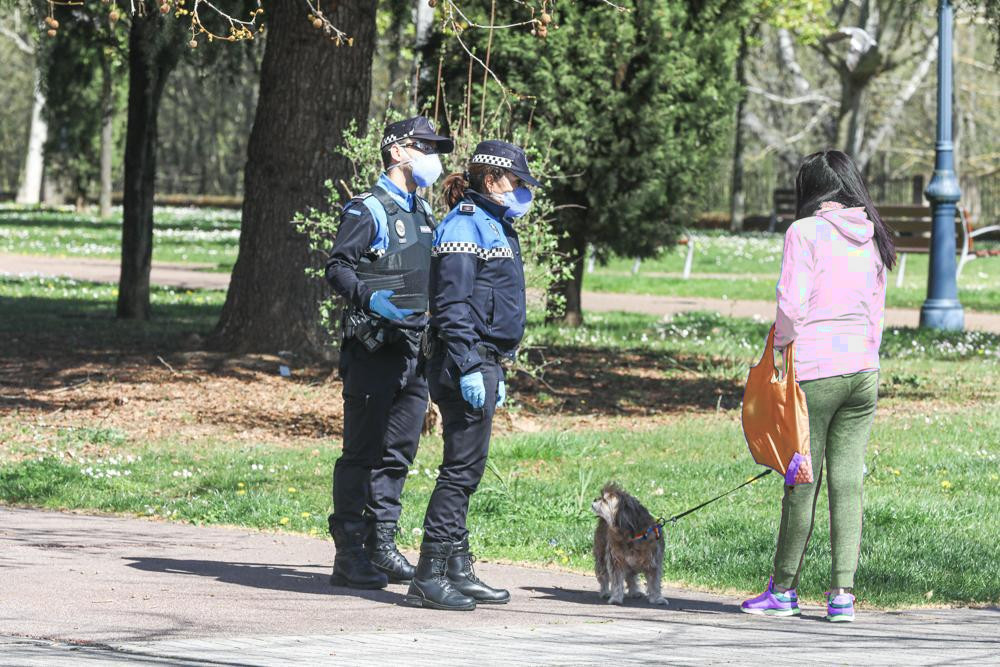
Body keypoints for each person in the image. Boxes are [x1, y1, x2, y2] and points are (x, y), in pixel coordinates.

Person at [741, 150, 895, 622]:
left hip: (813, 373)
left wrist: (783, 350)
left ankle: (783, 590)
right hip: (863, 372)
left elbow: (791, 303)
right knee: (849, 483)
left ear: (811, 188)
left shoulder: (803, 232)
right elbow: (877, 310)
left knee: (800, 479)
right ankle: (842, 596)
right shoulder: (872, 235)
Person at [404, 140, 538, 611]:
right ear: (491, 180)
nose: (521, 190)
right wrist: (467, 366)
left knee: (469, 468)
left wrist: (494, 364)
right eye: (516, 182)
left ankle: (457, 568)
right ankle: (429, 574)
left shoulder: (494, 224)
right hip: (464, 359)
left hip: (484, 360)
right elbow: (452, 306)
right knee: (459, 471)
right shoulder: (464, 224)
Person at [324, 116, 453, 589]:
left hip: (413, 353)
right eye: (426, 147)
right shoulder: (369, 210)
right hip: (373, 352)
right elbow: (337, 268)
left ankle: (381, 546)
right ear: (398, 151)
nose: (433, 158)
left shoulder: (422, 213)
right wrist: (370, 299)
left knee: (397, 454)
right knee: (361, 453)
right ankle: (349, 553)